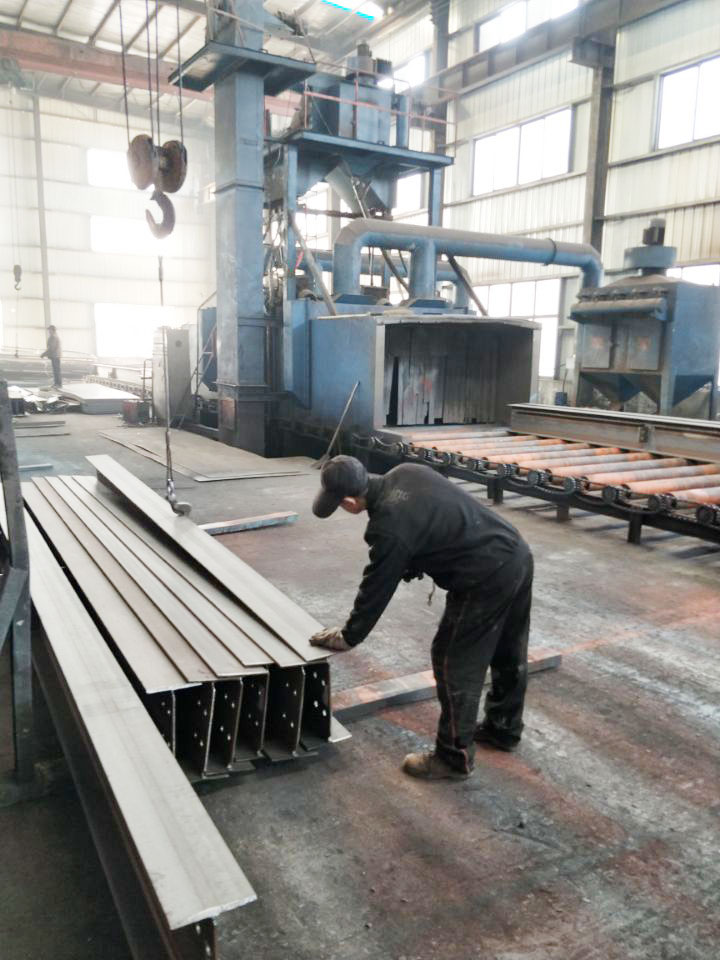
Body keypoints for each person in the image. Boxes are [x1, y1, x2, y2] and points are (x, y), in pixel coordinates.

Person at [310, 455, 533, 782]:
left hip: (482, 577)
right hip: (516, 554)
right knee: (507, 649)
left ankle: (453, 758)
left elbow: (376, 587)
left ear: (348, 502)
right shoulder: (406, 471)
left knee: (452, 659)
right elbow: (434, 513)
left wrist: (349, 635)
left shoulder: (388, 527)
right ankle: (504, 728)